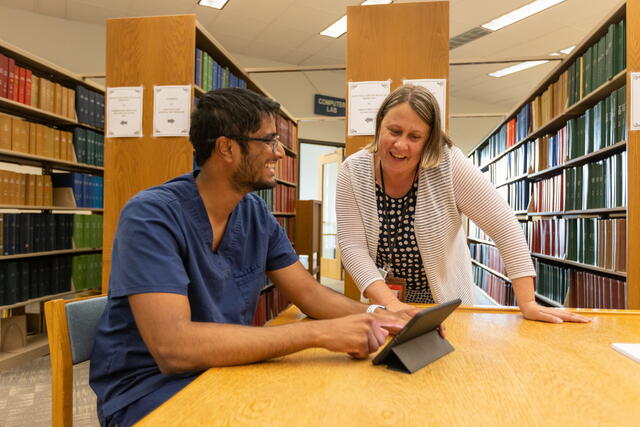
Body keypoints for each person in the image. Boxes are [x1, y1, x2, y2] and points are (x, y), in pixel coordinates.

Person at [89, 88, 410, 427]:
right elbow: (173, 348)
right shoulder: (150, 217)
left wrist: (382, 315)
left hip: (223, 371)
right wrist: (318, 334)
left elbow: (310, 294)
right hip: (149, 391)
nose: (279, 152)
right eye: (269, 141)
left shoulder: (254, 213)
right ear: (226, 147)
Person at [336, 84, 589, 324]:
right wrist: (391, 303)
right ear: (380, 125)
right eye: (394, 131)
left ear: (428, 141)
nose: (401, 144)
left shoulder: (448, 165)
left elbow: (504, 226)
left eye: (415, 136)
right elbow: (352, 245)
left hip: (444, 304)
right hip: (385, 301)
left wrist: (528, 302)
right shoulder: (353, 171)